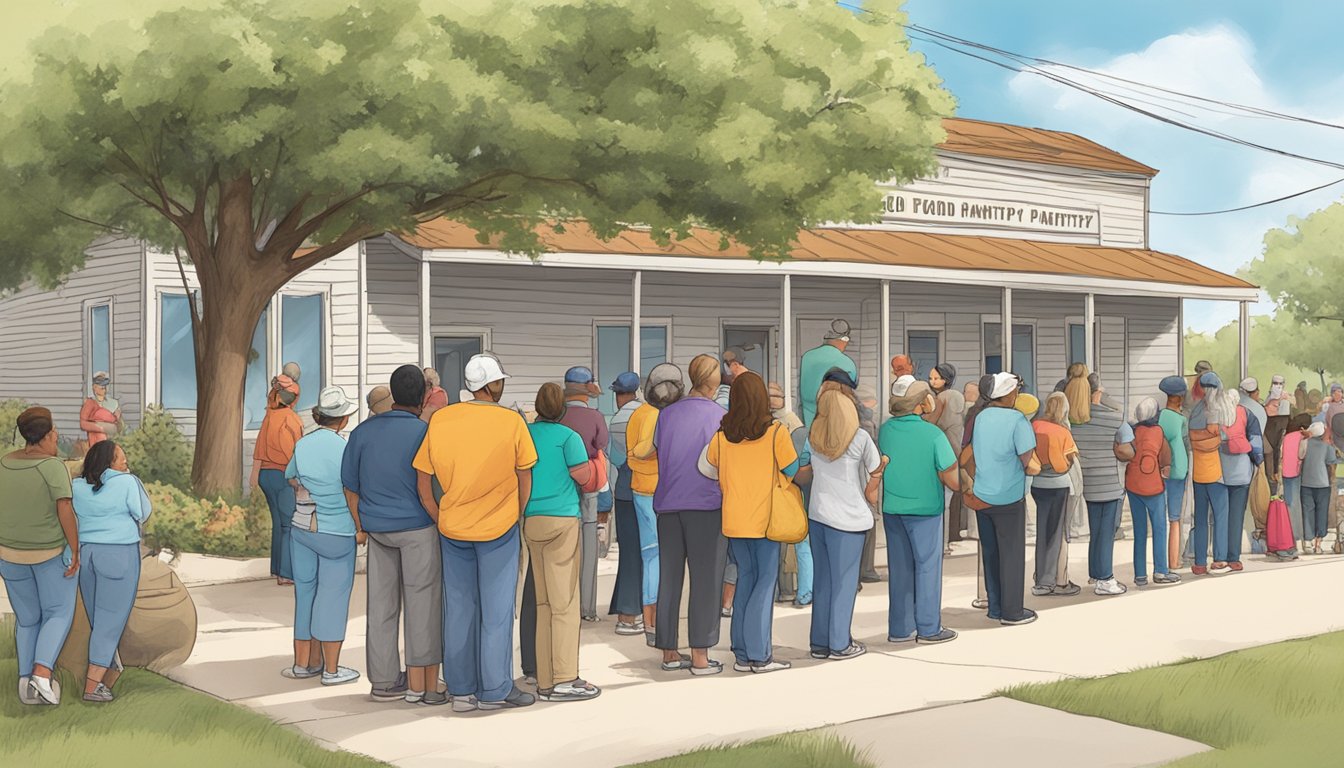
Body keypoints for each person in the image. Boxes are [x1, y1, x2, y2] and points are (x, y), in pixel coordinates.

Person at [414, 353, 538, 711]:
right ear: (493, 385)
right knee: (497, 611)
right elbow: (525, 474)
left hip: (453, 526)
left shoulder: (442, 419)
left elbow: (424, 480)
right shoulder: (511, 421)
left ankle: (462, 691)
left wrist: (439, 516)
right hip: (498, 527)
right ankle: (495, 689)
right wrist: (517, 513)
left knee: (459, 609)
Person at [342, 365, 444, 705]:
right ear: (423, 396)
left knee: (381, 606)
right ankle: (421, 682)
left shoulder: (361, 433)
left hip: (378, 530)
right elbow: (435, 486)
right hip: (418, 527)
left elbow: (350, 487)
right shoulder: (425, 433)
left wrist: (360, 524)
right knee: (422, 604)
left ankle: (384, 681)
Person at [699, 371, 798, 673]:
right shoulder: (775, 432)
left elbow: (705, 468)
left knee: (744, 579)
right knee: (765, 583)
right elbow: (792, 467)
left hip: (734, 518)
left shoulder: (722, 435)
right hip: (766, 519)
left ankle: (741, 653)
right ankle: (759, 654)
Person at [520, 383, 602, 702]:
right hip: (563, 519)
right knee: (565, 603)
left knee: (542, 603)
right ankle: (565, 677)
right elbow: (584, 477)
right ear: (562, 409)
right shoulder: (569, 438)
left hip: (531, 520)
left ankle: (543, 677)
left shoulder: (526, 434)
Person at [650, 356, 728, 675]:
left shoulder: (666, 415)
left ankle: (669, 651)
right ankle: (700, 655)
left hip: (668, 503)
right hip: (706, 504)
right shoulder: (722, 416)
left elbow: (659, 451)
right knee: (706, 580)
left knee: (669, 578)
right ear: (714, 381)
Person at [1, 407, 80, 705]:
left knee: (27, 619)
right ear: (47, 436)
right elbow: (65, 511)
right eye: (55, 431)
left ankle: (26, 684)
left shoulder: (3, 463)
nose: (57, 436)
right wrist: (75, 549)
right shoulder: (52, 466)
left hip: (8, 554)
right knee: (57, 613)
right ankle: (42, 673)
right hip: (47, 552)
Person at [284, 386, 362, 687]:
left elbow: (289, 476)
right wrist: (359, 527)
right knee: (333, 596)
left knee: (305, 593)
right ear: (342, 419)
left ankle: (302, 664)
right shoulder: (344, 449)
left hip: (303, 527)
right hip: (337, 530)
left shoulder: (303, 444)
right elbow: (352, 489)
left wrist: (306, 491)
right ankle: (331, 669)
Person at [804, 379, 883, 659]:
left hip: (818, 515)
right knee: (845, 584)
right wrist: (870, 493)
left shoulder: (811, 437)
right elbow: (875, 470)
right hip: (849, 518)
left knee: (823, 582)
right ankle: (840, 643)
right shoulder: (860, 438)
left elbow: (803, 470)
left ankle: (820, 642)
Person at [70, 440, 152, 702]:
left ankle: (109, 669)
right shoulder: (127, 482)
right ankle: (93, 686)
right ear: (109, 461)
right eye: (121, 458)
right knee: (110, 622)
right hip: (119, 554)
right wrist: (130, 480)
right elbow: (143, 512)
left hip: (88, 554)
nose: (125, 462)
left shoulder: (76, 486)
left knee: (98, 619)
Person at [881, 377, 958, 644]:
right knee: (927, 567)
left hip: (892, 508)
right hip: (925, 509)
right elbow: (952, 477)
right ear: (919, 402)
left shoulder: (885, 430)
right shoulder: (933, 434)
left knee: (900, 568)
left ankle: (900, 629)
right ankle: (928, 628)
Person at [969, 372, 1037, 625]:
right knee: (1011, 554)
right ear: (1008, 393)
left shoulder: (981, 417)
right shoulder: (1017, 419)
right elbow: (1027, 459)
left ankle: (995, 606)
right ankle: (1012, 611)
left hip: (982, 493)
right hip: (1008, 495)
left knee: (991, 553)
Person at [1065, 367, 1127, 596]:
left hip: (1087, 481)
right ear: (1098, 392)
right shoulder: (1113, 417)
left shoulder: (1074, 420)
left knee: (1095, 529)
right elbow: (1127, 445)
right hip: (1109, 482)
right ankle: (1105, 578)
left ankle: (1095, 571)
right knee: (1107, 531)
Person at [559, 366, 610, 623]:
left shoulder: (556, 415)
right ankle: (587, 608)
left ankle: (564, 604)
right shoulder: (596, 417)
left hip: (560, 487)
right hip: (588, 485)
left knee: (563, 552)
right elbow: (601, 445)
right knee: (588, 548)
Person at [627, 368, 670, 646]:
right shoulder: (654, 415)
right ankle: (652, 621)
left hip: (639, 487)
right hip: (653, 490)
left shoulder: (638, 414)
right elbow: (643, 448)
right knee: (655, 556)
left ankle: (651, 618)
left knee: (650, 555)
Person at [1116, 398, 1178, 586]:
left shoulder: (1133, 431)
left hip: (1133, 485)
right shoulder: (1158, 432)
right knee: (1159, 528)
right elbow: (1166, 456)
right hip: (1154, 486)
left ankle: (1140, 575)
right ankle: (1160, 571)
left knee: (1140, 530)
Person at [252, 373, 302, 586]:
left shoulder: (268, 417)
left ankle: (276, 568)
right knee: (289, 525)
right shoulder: (292, 420)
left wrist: (254, 474)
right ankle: (287, 572)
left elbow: (259, 449)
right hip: (283, 475)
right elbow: (296, 453)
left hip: (265, 474)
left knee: (277, 522)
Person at [1030, 392, 1080, 597]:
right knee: (1054, 534)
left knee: (1042, 531)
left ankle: (1040, 574)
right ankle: (1047, 581)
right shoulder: (1063, 431)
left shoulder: (1034, 426)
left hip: (1037, 484)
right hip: (1058, 485)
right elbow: (1070, 460)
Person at [606, 372, 645, 636]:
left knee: (629, 553)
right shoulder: (646, 414)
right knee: (644, 553)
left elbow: (616, 459)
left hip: (623, 491)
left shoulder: (617, 419)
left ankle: (626, 610)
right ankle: (631, 613)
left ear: (620, 394)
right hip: (646, 490)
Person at [770, 382, 812, 607]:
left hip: (789, 489)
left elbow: (794, 464)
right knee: (797, 541)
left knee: (797, 541)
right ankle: (802, 591)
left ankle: (801, 591)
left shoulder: (792, 426)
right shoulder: (794, 424)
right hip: (789, 487)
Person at [1188, 373, 1230, 575]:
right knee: (1221, 516)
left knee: (1201, 519)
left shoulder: (1195, 409)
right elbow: (1215, 437)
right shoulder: (1215, 410)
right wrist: (1215, 436)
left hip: (1198, 472)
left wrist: (1199, 439)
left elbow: (1193, 438)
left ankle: (1199, 562)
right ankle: (1220, 560)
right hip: (1215, 472)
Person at [1220, 384, 1264, 572]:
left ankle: (1218, 556)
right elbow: (1255, 442)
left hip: (1218, 473)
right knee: (1236, 516)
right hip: (1241, 473)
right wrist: (1259, 461)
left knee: (1219, 516)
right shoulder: (1246, 414)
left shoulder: (1216, 416)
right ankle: (1233, 558)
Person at [926, 364, 966, 545]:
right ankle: (952, 534)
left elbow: (931, 423)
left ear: (946, 380)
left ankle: (942, 540)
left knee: (944, 496)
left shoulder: (940, 398)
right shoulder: (959, 397)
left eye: (936, 378)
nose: (932, 381)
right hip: (958, 445)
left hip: (944, 446)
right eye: (931, 378)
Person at [1158, 376, 1191, 571]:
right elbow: (1186, 446)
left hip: (1159, 470)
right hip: (1178, 470)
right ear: (1180, 397)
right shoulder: (1181, 420)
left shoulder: (1159, 417)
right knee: (1175, 517)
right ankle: (1174, 561)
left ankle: (1162, 560)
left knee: (1160, 517)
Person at [799, 319, 858, 428]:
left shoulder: (807, 357)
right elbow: (852, 388)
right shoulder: (847, 362)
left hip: (807, 419)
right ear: (844, 340)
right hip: (835, 420)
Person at [1299, 421, 1334, 555]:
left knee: (1308, 511)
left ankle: (1308, 540)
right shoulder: (1326, 446)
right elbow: (1331, 461)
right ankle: (1319, 542)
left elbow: (1300, 456)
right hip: (1323, 483)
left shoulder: (1305, 443)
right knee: (1322, 511)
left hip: (1306, 482)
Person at [80, 371, 122, 447]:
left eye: (105, 385)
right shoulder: (90, 403)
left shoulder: (113, 403)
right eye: (100, 385)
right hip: (97, 440)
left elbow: (118, 422)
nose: (103, 388)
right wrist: (101, 427)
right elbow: (83, 424)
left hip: (113, 439)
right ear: (94, 387)